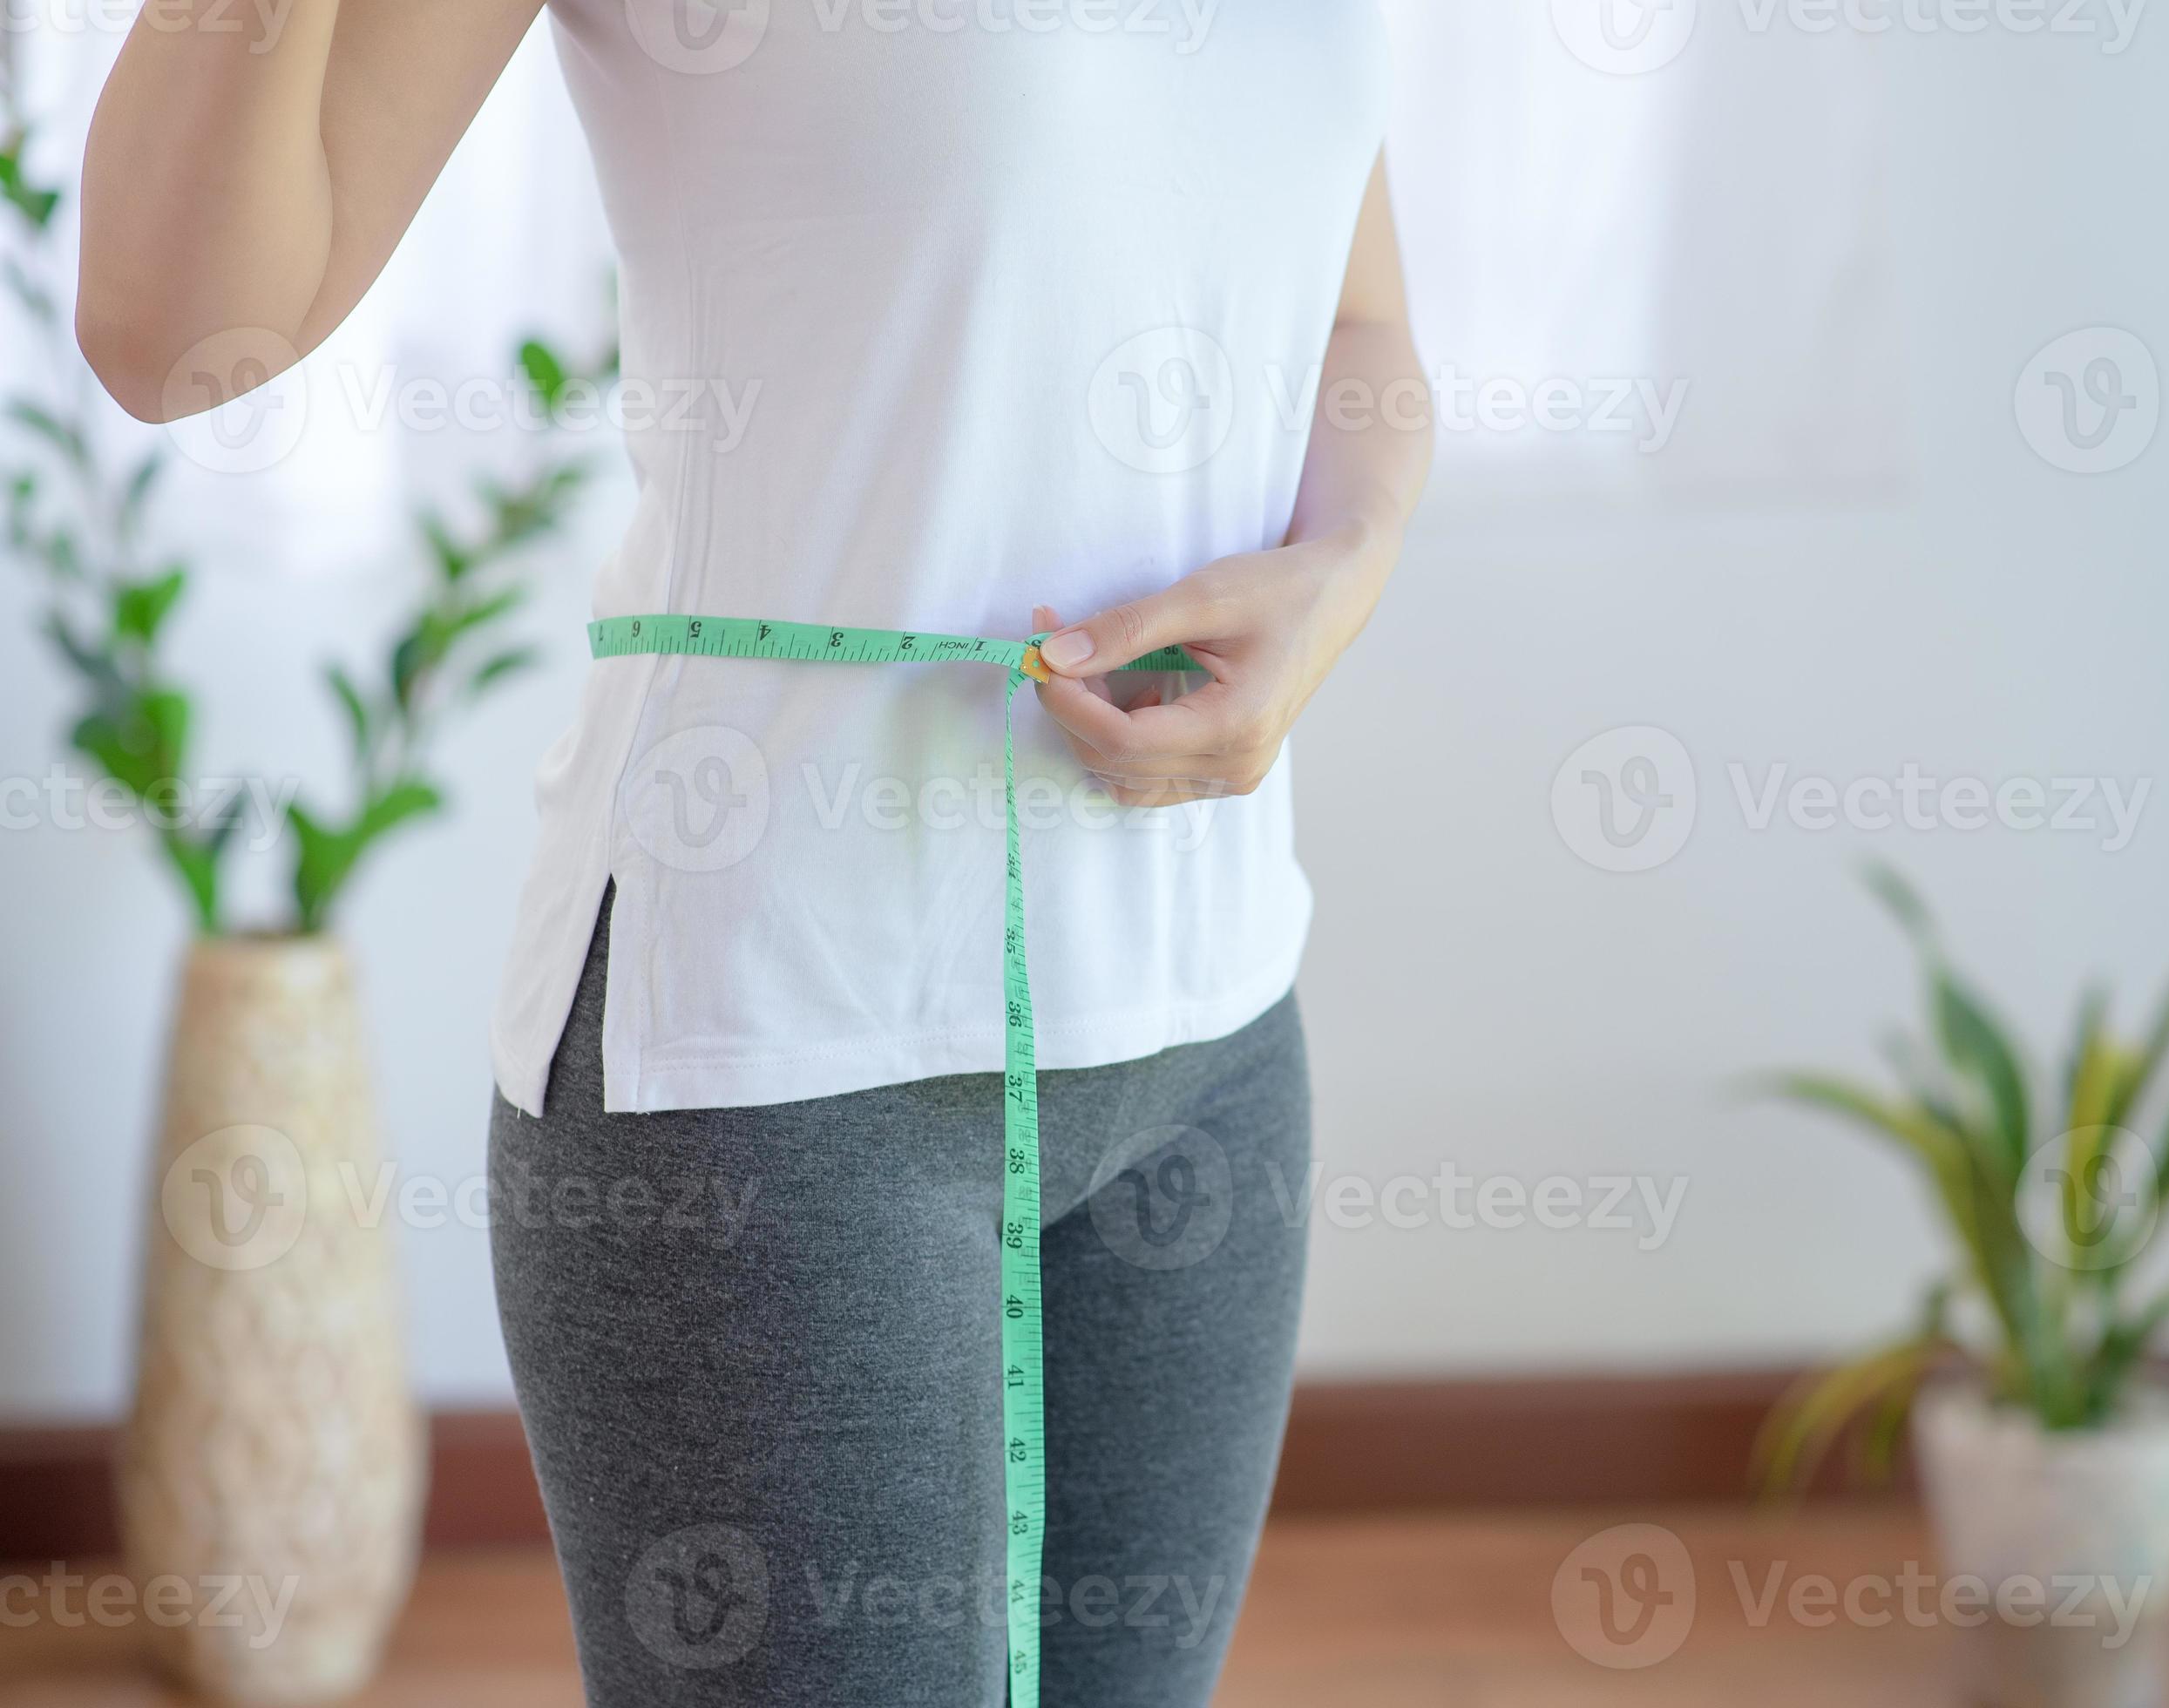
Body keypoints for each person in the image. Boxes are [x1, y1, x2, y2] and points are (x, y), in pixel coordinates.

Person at [76, 2, 1430, 1702]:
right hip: (771, 1071)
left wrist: (1342, 567)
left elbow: (1357, 320)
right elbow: (170, 326)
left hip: (1208, 1023)